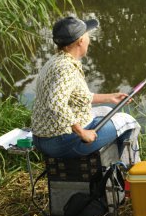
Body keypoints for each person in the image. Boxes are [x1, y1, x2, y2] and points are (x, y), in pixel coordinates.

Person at [31, 16, 137, 159]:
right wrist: (82, 132)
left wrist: (110, 98)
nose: (89, 38)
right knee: (129, 121)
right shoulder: (66, 68)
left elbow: (76, 96)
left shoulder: (57, 60)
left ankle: (111, 169)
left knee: (107, 110)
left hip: (44, 136)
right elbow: (55, 103)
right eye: (87, 34)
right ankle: (129, 174)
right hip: (59, 141)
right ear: (81, 41)